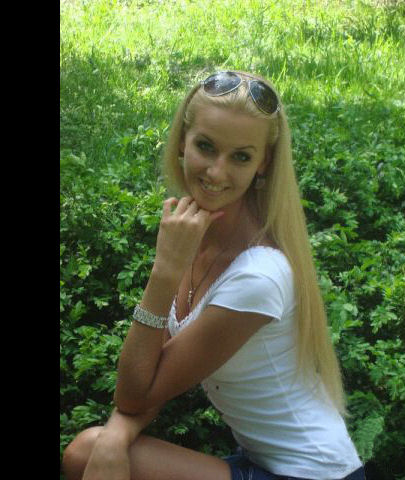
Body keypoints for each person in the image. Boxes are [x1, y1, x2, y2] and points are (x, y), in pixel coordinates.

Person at [62, 70, 365, 480]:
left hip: (313, 474)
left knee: (85, 453)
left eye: (241, 157)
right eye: (206, 146)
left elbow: (135, 393)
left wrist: (164, 271)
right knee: (93, 452)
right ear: (182, 142)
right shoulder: (194, 232)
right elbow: (154, 374)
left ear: (263, 163)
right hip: (260, 462)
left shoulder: (258, 277)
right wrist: (116, 437)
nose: (216, 173)